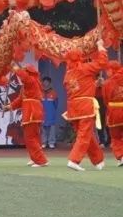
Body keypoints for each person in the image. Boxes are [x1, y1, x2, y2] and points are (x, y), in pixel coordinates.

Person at [62, 41, 108, 171]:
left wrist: (94, 84)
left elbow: (80, 86)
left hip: (73, 107)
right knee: (84, 134)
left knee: (87, 135)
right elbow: (102, 63)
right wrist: (100, 47)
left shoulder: (68, 74)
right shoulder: (84, 68)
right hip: (84, 106)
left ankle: (98, 160)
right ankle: (74, 160)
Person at [5, 64, 47, 167]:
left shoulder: (32, 81)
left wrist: (17, 70)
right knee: (33, 137)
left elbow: (25, 78)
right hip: (31, 110)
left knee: (30, 137)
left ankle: (41, 160)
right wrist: (9, 107)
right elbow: (20, 100)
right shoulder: (26, 86)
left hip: (32, 110)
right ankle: (34, 157)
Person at [103, 59, 123, 166]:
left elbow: (106, 100)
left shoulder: (107, 83)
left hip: (114, 112)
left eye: (107, 70)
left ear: (111, 70)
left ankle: (121, 156)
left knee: (115, 137)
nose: (107, 72)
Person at [41, 76, 59, 149]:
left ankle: (51, 142)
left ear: (49, 83)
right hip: (42, 113)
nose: (45, 83)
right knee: (43, 128)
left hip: (51, 113)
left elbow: (56, 104)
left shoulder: (54, 93)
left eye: (47, 82)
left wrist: (52, 111)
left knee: (52, 128)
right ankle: (44, 142)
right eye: (44, 82)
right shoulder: (40, 92)